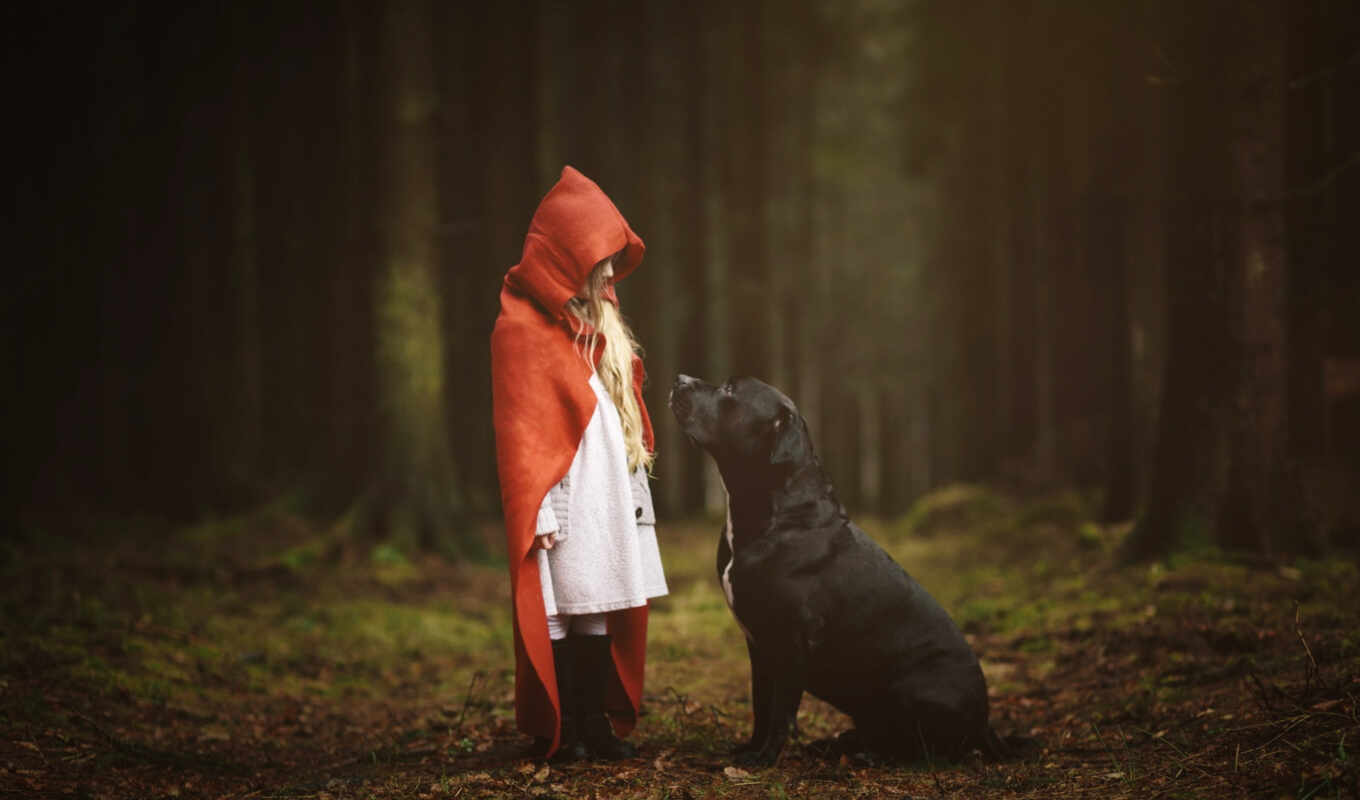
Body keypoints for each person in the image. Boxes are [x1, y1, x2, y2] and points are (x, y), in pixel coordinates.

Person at [491, 166, 667, 762]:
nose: (611, 274)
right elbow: (521, 430)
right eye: (600, 260)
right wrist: (537, 505)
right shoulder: (518, 326)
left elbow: (616, 401)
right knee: (561, 603)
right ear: (569, 257)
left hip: (604, 485)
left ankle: (594, 725)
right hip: (561, 491)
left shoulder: (598, 324)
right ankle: (563, 728)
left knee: (598, 601)